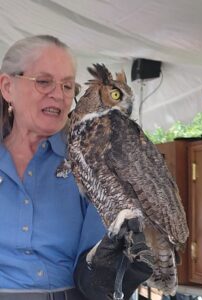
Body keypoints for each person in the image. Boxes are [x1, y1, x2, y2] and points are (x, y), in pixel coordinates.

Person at [0, 35, 152, 300]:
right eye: (44, 82)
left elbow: (92, 266)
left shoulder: (93, 163)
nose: (59, 95)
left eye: (68, 86)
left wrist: (109, 269)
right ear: (7, 86)